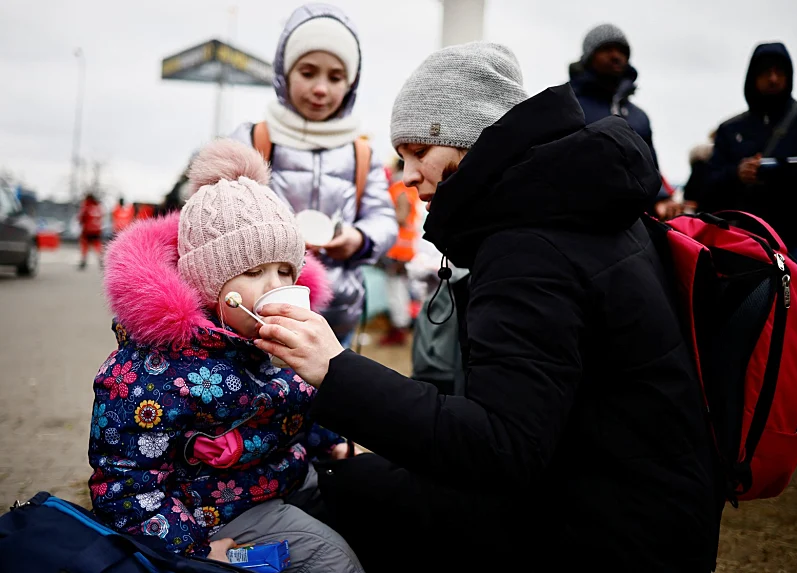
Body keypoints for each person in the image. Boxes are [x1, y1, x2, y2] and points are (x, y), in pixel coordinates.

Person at [254, 42, 721, 572]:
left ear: (466, 139)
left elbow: (502, 447)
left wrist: (334, 370)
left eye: (416, 152)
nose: (406, 176)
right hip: (654, 508)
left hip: (608, 535)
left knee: (351, 495)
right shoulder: (582, 205)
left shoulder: (530, 245)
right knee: (370, 478)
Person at [88, 139, 364, 571]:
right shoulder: (153, 371)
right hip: (213, 514)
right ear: (206, 285)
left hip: (287, 478)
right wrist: (191, 549)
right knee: (332, 560)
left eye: (285, 271)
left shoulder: (271, 342)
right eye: (254, 273)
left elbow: (295, 406)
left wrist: (332, 443)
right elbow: (124, 483)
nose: (275, 285)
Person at [231, 3, 397, 348]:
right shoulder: (251, 139)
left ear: (350, 83)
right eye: (308, 72)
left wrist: (359, 239)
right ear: (284, 74)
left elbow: (384, 220)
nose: (321, 89)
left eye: (335, 77)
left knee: (329, 402)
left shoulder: (361, 152)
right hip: (258, 316)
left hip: (337, 318)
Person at [705, 42, 797, 275]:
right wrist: (737, 174)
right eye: (766, 72)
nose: (774, 79)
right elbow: (706, 185)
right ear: (753, 77)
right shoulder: (730, 129)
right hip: (750, 240)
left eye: (780, 72)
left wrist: (789, 173)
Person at [569, 23, 683, 220]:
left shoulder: (639, 116)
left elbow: (650, 168)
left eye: (622, 51)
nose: (616, 56)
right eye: (607, 49)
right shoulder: (567, 104)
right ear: (589, 56)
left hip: (633, 223)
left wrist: (662, 199)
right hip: (578, 217)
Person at [379, 158, 419, 346]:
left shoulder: (398, 188)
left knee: (395, 289)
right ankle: (401, 325)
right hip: (407, 246)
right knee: (401, 288)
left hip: (397, 248)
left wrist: (381, 216)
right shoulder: (412, 188)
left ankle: (399, 327)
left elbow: (401, 217)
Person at [77, 192, 103, 269]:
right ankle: (101, 260)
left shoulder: (86, 206)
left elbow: (81, 217)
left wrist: (81, 223)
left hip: (87, 230)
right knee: (97, 245)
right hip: (97, 230)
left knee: (85, 245)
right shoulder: (98, 207)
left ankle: (83, 261)